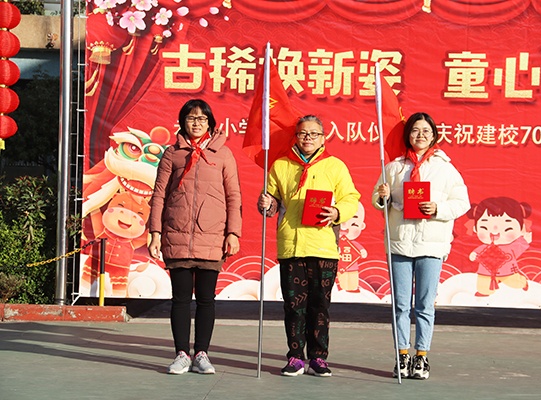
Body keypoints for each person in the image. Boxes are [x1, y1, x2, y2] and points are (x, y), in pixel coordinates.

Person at [257, 115, 360, 377]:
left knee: (320, 306)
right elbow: (272, 201)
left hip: (323, 246)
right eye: (303, 133)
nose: (308, 138)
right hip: (291, 247)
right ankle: (295, 357)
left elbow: (351, 198)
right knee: (293, 306)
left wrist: (337, 212)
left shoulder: (335, 166)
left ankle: (318, 358)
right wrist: (266, 204)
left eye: (314, 134)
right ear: (296, 136)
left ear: (323, 138)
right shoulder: (280, 165)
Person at [372, 112, 469, 380]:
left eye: (426, 131)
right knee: (400, 305)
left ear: (434, 135)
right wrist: (382, 197)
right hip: (400, 243)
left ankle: (422, 356)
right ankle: (402, 355)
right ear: (408, 135)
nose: (421, 135)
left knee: (425, 305)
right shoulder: (394, 168)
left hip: (432, 245)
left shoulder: (445, 168)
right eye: (415, 130)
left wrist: (437, 208)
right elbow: (378, 201)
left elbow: (462, 203)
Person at [148, 99, 242, 375]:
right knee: (179, 299)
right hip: (176, 236)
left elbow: (233, 196)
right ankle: (181, 354)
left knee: (205, 299)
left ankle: (201, 354)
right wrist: (155, 233)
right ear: (183, 122)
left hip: (211, 237)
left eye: (202, 118)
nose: (197, 123)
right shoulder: (172, 154)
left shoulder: (223, 154)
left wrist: (233, 232)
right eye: (191, 118)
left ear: (210, 123)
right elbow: (159, 195)